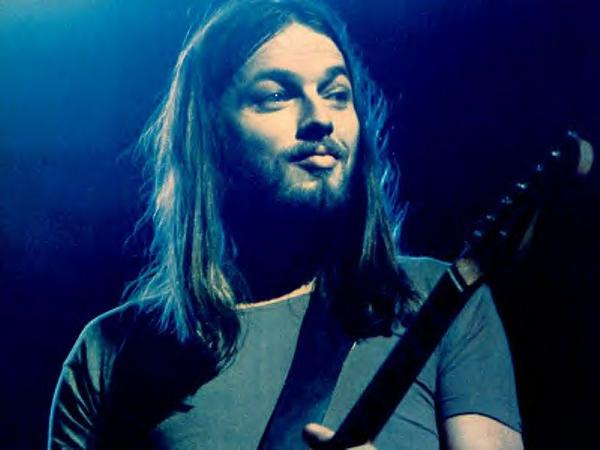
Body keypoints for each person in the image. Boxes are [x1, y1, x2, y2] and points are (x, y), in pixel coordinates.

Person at [48, 0, 523, 448]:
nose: (320, 118)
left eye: (337, 94)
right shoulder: (108, 354)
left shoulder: (443, 302)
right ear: (209, 135)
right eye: (276, 95)